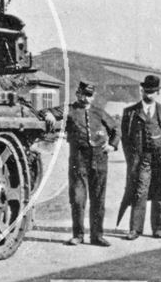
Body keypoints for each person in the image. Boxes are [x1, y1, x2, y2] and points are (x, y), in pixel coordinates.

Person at [43, 81, 120, 246]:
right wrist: (48, 114)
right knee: (77, 199)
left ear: (93, 97)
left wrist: (112, 145)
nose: (86, 98)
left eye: (89, 95)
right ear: (78, 94)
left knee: (98, 199)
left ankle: (97, 236)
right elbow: (45, 111)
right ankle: (78, 235)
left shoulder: (99, 113)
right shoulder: (69, 110)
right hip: (79, 160)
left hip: (100, 159)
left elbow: (115, 129)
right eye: (83, 94)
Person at [120, 75, 161, 240]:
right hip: (142, 159)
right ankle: (135, 229)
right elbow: (124, 137)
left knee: (159, 192)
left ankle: (157, 229)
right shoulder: (130, 112)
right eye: (147, 91)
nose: (149, 94)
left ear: (157, 92)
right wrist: (131, 157)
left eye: (152, 92)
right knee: (140, 192)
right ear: (142, 91)